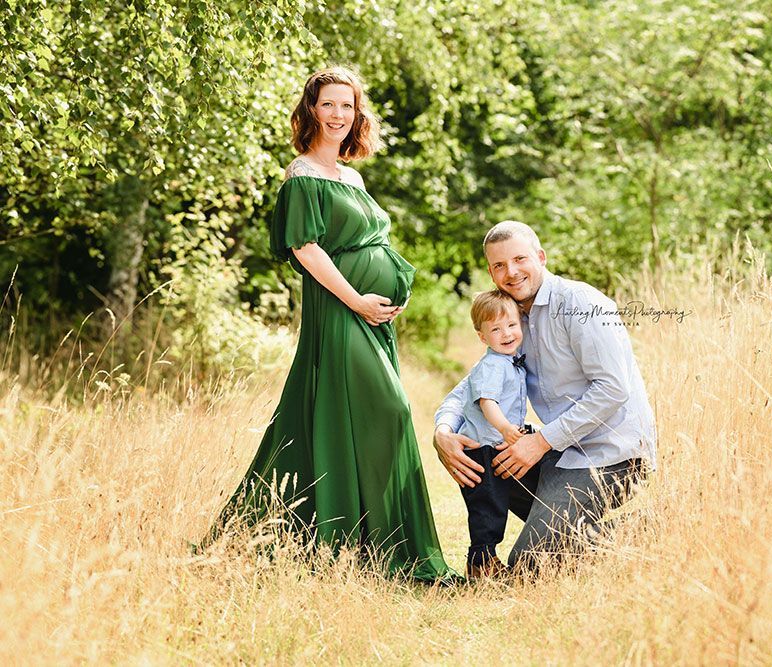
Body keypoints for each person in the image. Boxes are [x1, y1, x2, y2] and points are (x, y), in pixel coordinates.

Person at [209, 66, 456, 583]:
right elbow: (306, 248)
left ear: (356, 112)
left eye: (347, 105)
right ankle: (362, 545)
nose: (339, 114)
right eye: (328, 105)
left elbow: (370, 244)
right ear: (311, 110)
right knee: (387, 409)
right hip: (340, 310)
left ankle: (368, 550)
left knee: (360, 415)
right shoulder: (302, 175)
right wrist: (358, 300)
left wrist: (388, 292)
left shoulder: (353, 177)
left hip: (370, 314)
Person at [433, 221, 657, 572]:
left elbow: (613, 388)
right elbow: (471, 386)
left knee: (529, 566)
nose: (511, 272)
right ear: (491, 273)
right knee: (487, 455)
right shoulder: (509, 320)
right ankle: (573, 531)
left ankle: (645, 530)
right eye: (499, 266)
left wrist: (540, 442)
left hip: (611, 454)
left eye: (520, 259)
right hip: (561, 451)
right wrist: (443, 430)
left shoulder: (581, 303)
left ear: (541, 257)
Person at [454, 289, 531, 579]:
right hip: (481, 448)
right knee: (487, 509)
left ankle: (486, 559)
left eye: (511, 325)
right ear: (482, 337)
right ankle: (480, 563)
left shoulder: (510, 360)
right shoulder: (491, 365)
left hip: (496, 444)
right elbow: (488, 402)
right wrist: (505, 428)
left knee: (498, 503)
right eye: (496, 329)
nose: (507, 333)